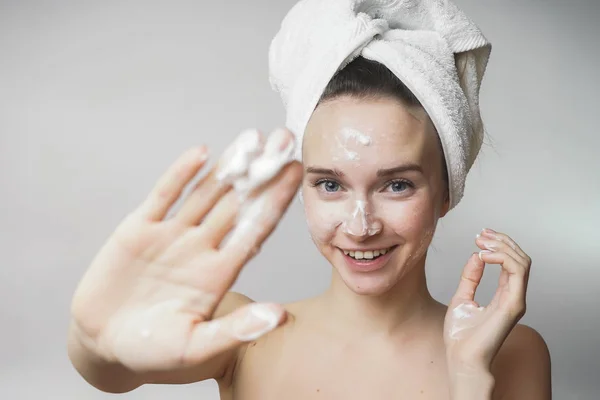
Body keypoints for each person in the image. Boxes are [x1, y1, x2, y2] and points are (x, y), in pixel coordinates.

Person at [68, 1, 551, 399]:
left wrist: (469, 378)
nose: (360, 226)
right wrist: (94, 340)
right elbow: (113, 371)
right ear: (301, 186)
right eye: (330, 185)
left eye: (396, 185)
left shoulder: (510, 352)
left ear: (447, 191)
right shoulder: (243, 331)